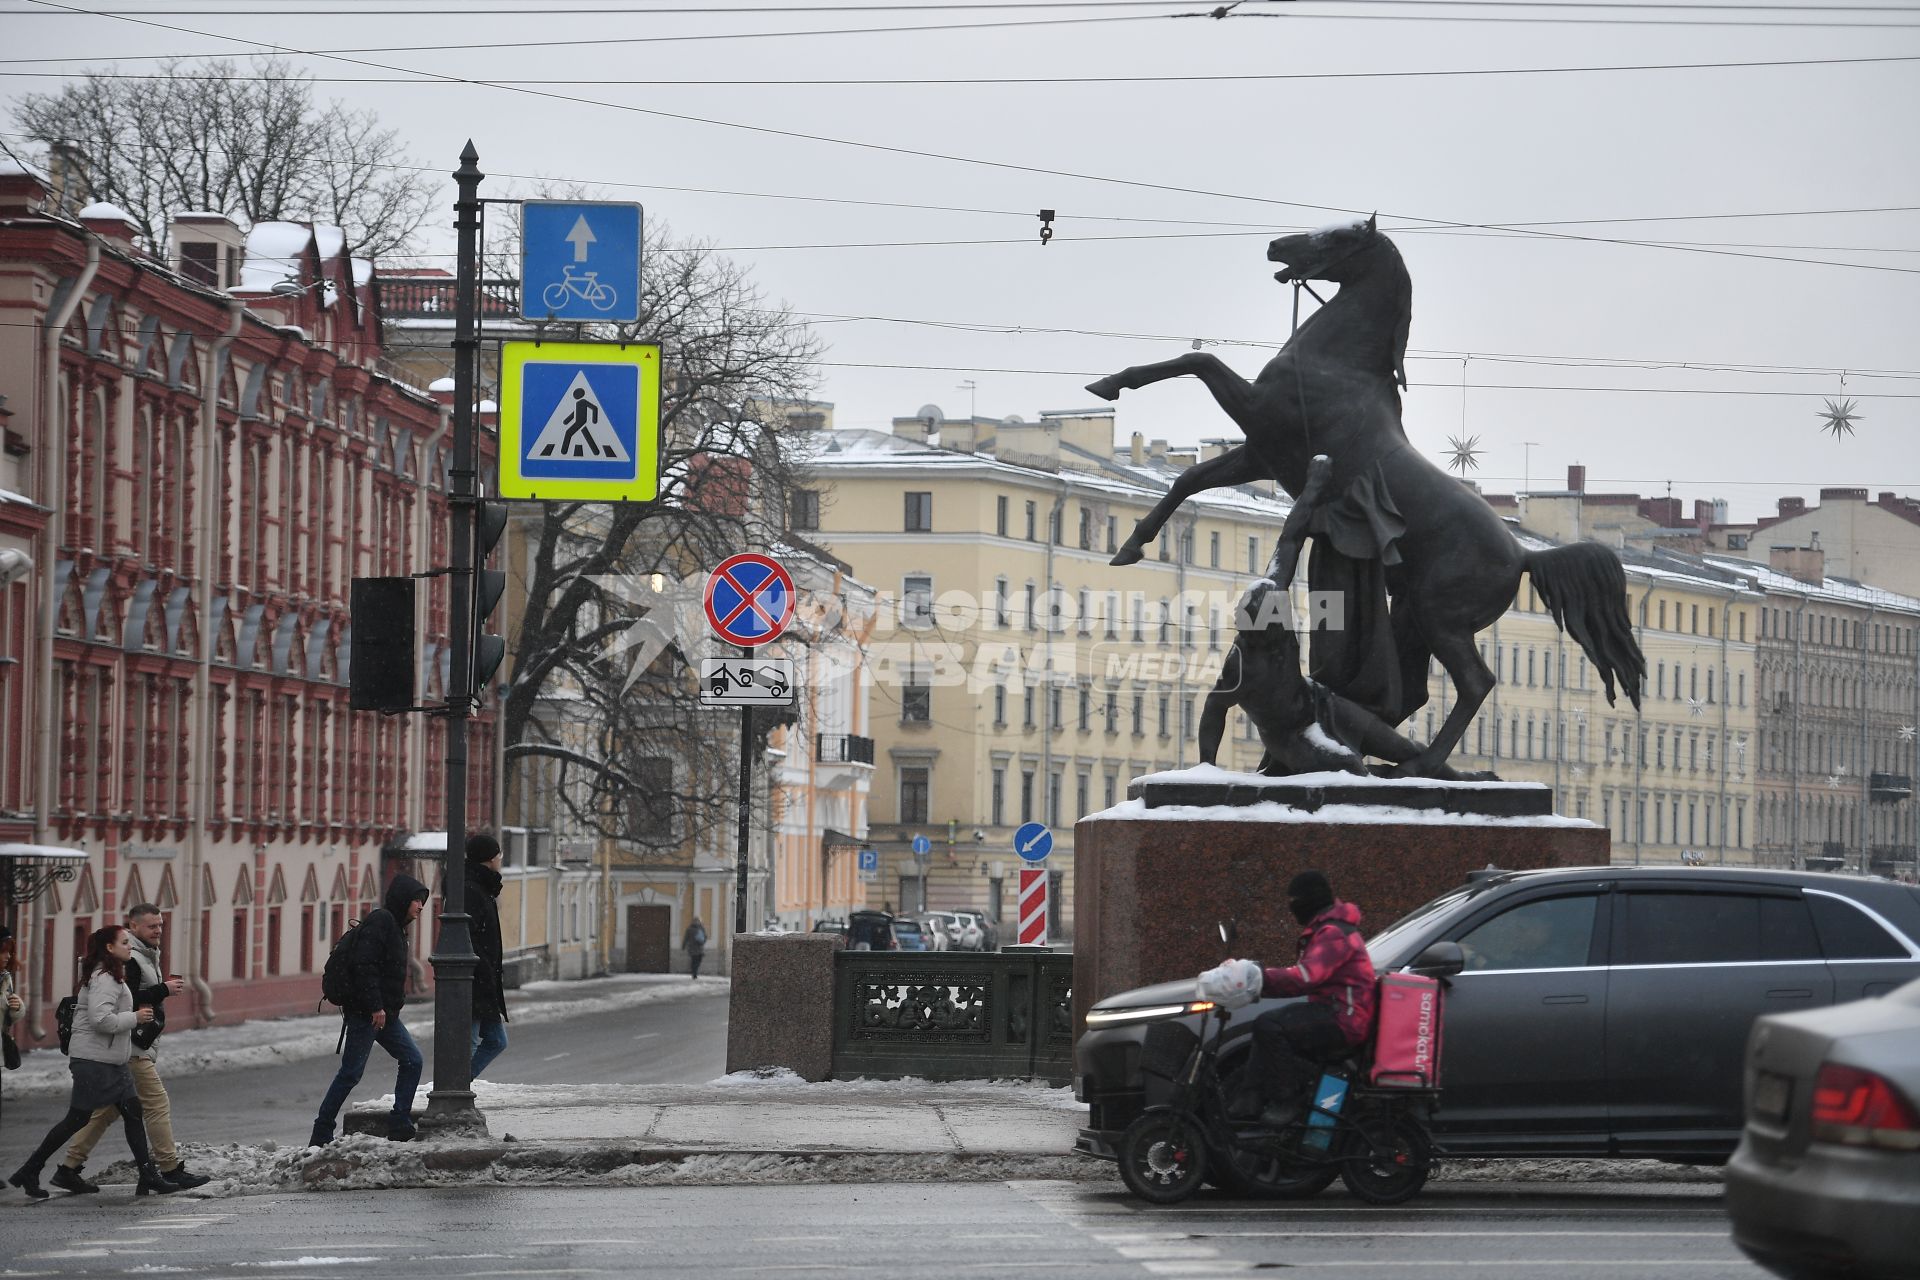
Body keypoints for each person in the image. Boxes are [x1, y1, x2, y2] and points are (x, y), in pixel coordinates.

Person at [8, 926, 178, 1198]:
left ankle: (148, 1175)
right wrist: (135, 1018)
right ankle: (31, 1169)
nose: (129, 947)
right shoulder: (104, 978)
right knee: (77, 1119)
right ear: (109, 948)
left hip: (110, 1061)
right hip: (94, 1061)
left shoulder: (112, 976)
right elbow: (102, 1021)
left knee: (132, 1112)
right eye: (124, 942)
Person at [1200, 870, 1377, 1128]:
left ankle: (1287, 1101)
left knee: (1271, 1026)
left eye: (1294, 901)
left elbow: (1307, 976)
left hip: (1345, 1019)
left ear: (1309, 901)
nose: (1292, 908)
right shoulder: (1328, 929)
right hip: (1335, 1012)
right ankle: (1250, 1097)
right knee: (1266, 1026)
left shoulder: (1334, 934)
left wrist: (1257, 978)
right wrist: (1258, 978)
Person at [54, 904, 210, 1193]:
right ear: (134, 927)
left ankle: (68, 1168)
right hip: (132, 1045)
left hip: (132, 1042)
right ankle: (169, 1168)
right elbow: (128, 999)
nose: (158, 931)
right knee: (157, 1103)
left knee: (107, 1111)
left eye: (160, 925)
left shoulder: (143, 955)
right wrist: (163, 990)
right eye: (152, 926)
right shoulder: (131, 958)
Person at [307, 873, 430, 1147]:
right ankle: (321, 1131)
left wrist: (384, 1008)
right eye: (416, 900)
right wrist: (375, 1006)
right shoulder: (382, 921)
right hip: (367, 1014)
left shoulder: (396, 927)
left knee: (413, 1060)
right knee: (351, 1073)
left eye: (422, 901)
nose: (420, 906)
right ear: (402, 900)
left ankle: (399, 1123)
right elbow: (365, 966)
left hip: (385, 1015)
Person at [466, 832, 510, 1078]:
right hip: (473, 979)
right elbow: (469, 938)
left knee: (496, 1040)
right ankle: (455, 1089)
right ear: (490, 858)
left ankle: (458, 1086)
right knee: (470, 1043)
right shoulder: (472, 890)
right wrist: (483, 969)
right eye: (499, 855)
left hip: (483, 980)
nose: (500, 860)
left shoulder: (482, 887)